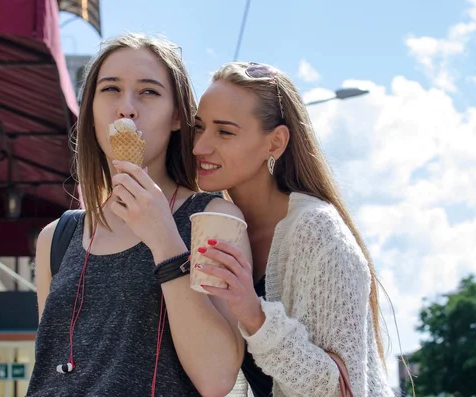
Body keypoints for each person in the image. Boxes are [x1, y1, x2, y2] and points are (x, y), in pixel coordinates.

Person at [27, 34, 248, 397]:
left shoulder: (211, 218)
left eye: (148, 92)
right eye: (110, 89)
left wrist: (164, 237)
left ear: (178, 116)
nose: (126, 107)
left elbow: (216, 378)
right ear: (91, 109)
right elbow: (51, 368)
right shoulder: (57, 237)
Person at [191, 61, 394, 396]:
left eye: (224, 132)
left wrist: (254, 316)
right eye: (199, 128)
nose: (200, 146)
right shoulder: (215, 224)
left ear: (275, 143)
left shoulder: (318, 232)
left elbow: (340, 389)